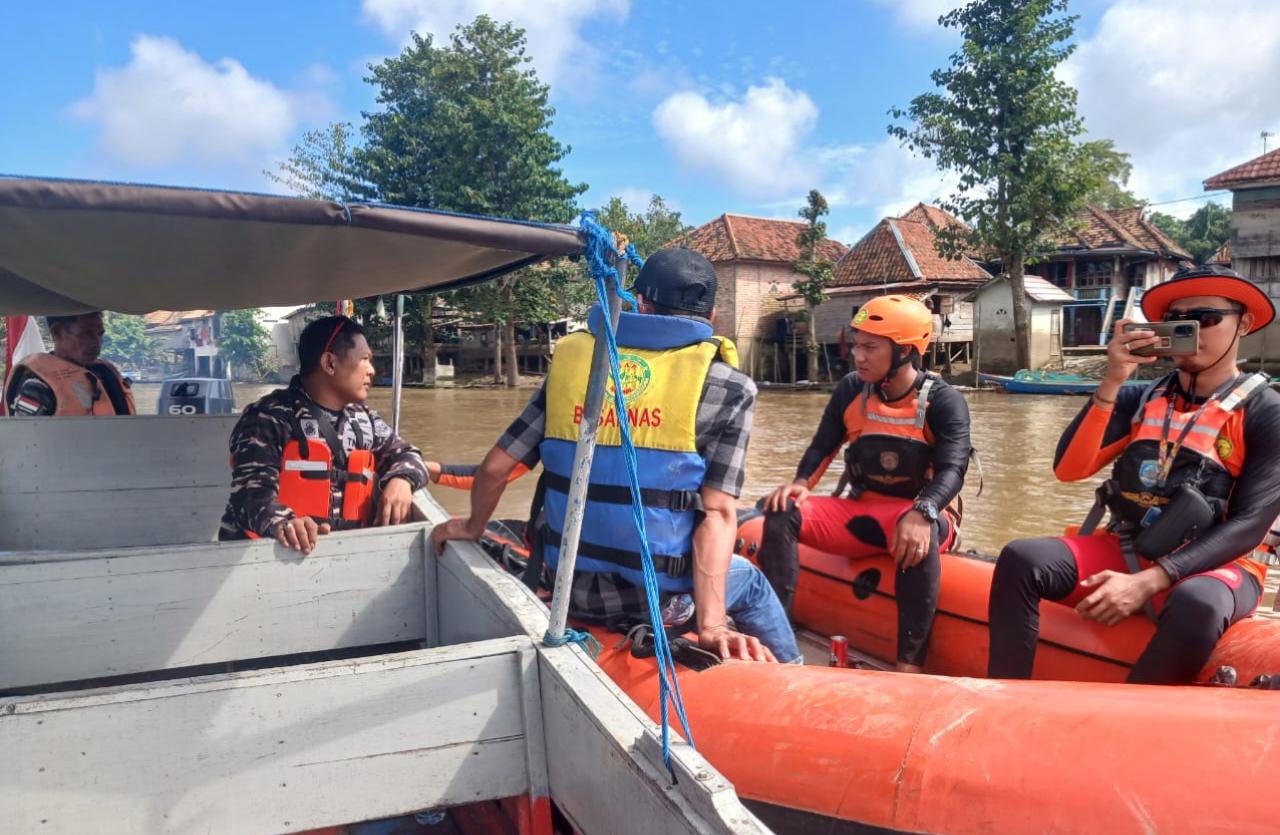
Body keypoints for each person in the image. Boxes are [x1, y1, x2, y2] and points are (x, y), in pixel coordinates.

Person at [431, 247, 799, 663]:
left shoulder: (577, 363)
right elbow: (717, 514)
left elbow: (497, 467)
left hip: (569, 585)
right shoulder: (729, 386)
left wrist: (474, 524)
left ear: (640, 303)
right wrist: (711, 625)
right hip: (657, 603)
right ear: (712, 317)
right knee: (750, 582)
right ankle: (796, 677)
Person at [988, 265, 1280, 684]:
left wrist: (1150, 581)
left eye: (1207, 319)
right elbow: (1069, 470)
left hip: (1217, 569)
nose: (1192, 330)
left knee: (1197, 603)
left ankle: (1128, 721)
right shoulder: (1138, 398)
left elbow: (1249, 525)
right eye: (1180, 321)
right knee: (1022, 558)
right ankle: (1004, 697)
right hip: (1130, 548)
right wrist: (1111, 381)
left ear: (1244, 324)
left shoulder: (1266, 412)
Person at [757, 294, 971, 672]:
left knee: (914, 532)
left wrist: (924, 510)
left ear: (904, 351)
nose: (858, 356)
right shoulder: (851, 389)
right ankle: (777, 636)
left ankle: (910, 664)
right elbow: (823, 444)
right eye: (857, 345)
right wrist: (802, 483)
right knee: (782, 511)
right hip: (862, 512)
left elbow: (954, 469)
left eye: (870, 347)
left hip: (922, 515)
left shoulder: (943, 401)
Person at [219, 315, 430, 553]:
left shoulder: (364, 419)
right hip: (268, 559)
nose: (372, 370)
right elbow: (250, 493)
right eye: (364, 359)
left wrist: (403, 480)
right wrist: (285, 524)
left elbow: (409, 455)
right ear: (330, 363)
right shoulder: (268, 418)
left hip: (343, 555)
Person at [3, 311, 136, 416]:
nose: (96, 342)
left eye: (100, 334)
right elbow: (27, 442)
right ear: (57, 332)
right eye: (86, 333)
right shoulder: (36, 387)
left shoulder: (105, 376)